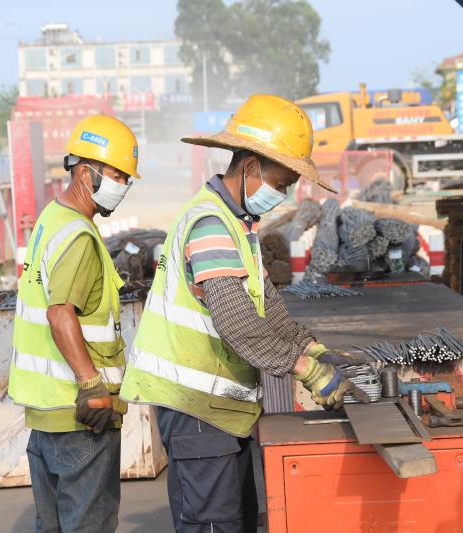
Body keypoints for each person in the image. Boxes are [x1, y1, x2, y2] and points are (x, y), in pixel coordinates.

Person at [120, 94, 370, 532]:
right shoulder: (212, 224)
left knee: (236, 522)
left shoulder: (237, 224)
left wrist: (313, 347)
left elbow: (267, 308)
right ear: (251, 167)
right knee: (215, 526)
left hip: (218, 412)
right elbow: (238, 323)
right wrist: (305, 369)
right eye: (281, 181)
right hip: (197, 410)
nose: (284, 193)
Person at [8, 115, 140, 532]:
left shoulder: (51, 219)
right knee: (88, 524)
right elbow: (60, 311)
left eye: (127, 178)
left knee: (54, 526)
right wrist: (91, 384)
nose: (123, 186)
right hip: (81, 414)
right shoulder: (79, 236)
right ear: (85, 173)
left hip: (47, 413)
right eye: (117, 175)